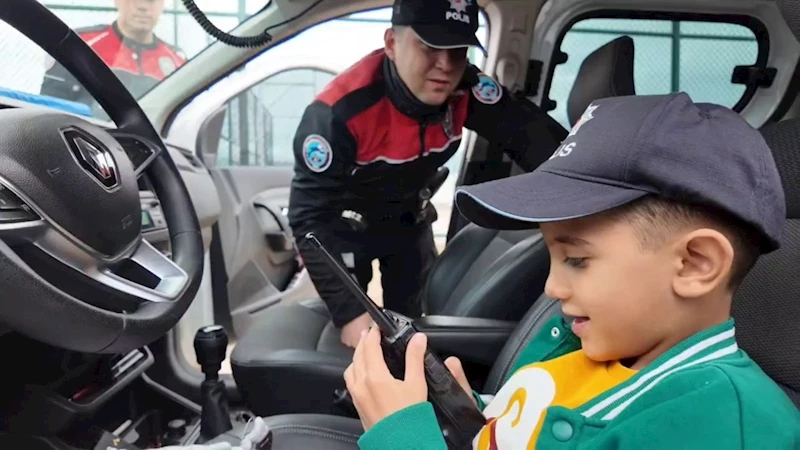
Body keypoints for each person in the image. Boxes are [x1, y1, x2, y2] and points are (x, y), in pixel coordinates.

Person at [344, 92, 800, 448]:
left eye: (577, 260)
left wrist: (402, 438)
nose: (553, 287)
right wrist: (475, 418)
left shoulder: (721, 423)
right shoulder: (594, 347)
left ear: (696, 264)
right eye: (552, 257)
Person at [289, 0, 567, 348]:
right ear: (392, 44)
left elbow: (528, 133)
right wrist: (347, 313)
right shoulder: (339, 113)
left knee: (412, 328)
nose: (446, 66)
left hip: (408, 221)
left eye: (458, 50)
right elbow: (308, 217)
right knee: (355, 334)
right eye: (431, 47)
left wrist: (580, 181)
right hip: (346, 229)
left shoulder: (466, 88)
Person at [40, 0, 185, 106]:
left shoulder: (178, 61)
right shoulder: (80, 44)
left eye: (151, 0)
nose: (142, 6)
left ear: (163, 3)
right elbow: (51, 108)